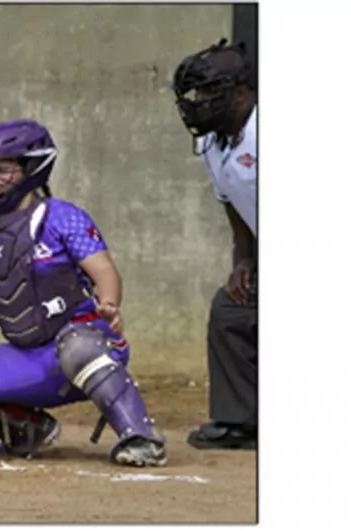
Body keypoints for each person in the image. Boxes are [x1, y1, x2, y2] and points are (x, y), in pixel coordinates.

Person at [0, 119, 168, 467]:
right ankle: (29, 431)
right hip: (31, 356)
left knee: (78, 346)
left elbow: (104, 270)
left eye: (2, 170)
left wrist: (109, 304)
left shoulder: (60, 217)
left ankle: (141, 437)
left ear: (32, 169)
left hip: (88, 343)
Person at [172, 39, 257, 450]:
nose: (201, 103)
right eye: (198, 94)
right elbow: (232, 202)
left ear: (241, 94)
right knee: (231, 310)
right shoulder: (212, 141)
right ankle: (240, 422)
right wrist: (244, 259)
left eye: (211, 93)